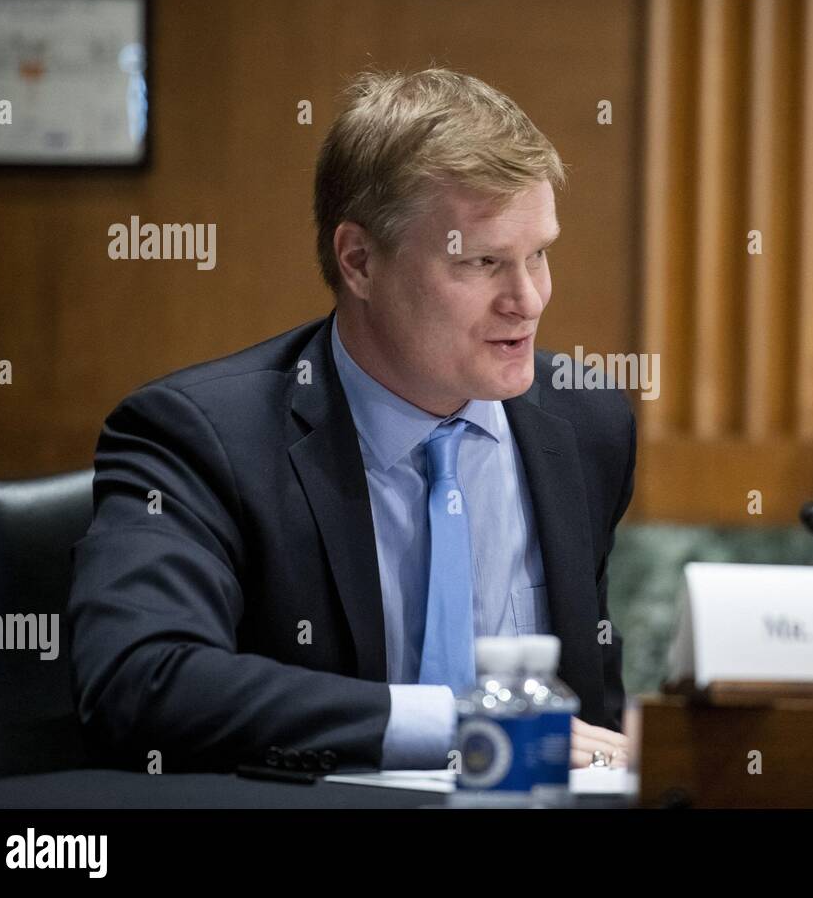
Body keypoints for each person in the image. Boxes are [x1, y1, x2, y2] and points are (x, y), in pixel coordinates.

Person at [68, 68, 634, 774]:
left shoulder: (586, 424)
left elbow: (593, 719)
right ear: (360, 261)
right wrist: (457, 723)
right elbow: (139, 681)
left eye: (540, 254)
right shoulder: (201, 438)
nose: (528, 300)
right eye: (484, 262)